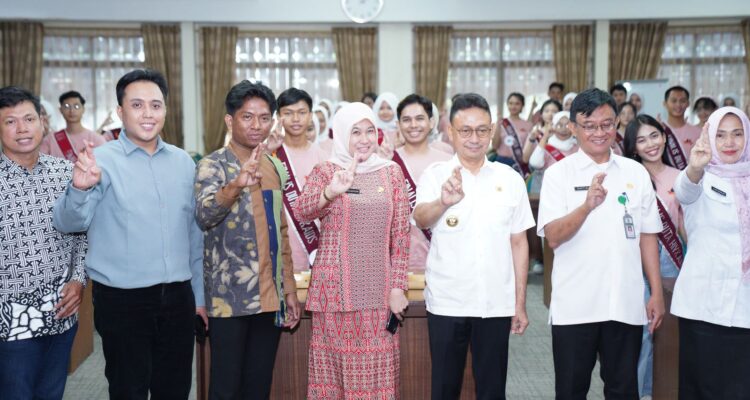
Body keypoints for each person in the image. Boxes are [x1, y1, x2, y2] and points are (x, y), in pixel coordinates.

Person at [53, 69, 205, 399]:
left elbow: (194, 234)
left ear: (166, 110)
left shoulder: (183, 162)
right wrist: (79, 189)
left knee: (176, 389)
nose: (148, 114)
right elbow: (68, 224)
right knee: (128, 390)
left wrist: (200, 297)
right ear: (121, 112)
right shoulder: (99, 161)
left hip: (178, 298)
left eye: (155, 105)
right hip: (123, 300)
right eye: (137, 105)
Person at [537, 88, 665, 399]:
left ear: (617, 124)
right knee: (571, 390)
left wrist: (657, 292)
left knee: (623, 389)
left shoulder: (635, 172)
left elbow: (647, 235)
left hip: (625, 302)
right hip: (575, 306)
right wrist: (586, 206)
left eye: (607, 124)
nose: (599, 132)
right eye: (590, 125)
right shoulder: (558, 175)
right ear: (573, 128)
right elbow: (553, 236)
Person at [412, 92, 534, 399]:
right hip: (447, 301)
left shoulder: (510, 179)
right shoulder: (436, 175)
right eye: (465, 130)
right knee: (444, 388)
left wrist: (519, 302)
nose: (474, 138)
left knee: (492, 389)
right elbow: (421, 218)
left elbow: (519, 242)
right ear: (450, 132)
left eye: (482, 130)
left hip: (495, 303)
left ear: (491, 131)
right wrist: (442, 201)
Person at [293, 102, 409, 398]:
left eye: (370, 131)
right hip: (333, 294)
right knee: (332, 381)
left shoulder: (392, 173)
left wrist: (398, 287)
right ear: (342, 134)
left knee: (376, 382)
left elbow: (401, 237)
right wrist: (330, 192)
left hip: (379, 294)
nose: (364, 138)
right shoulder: (326, 170)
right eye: (355, 132)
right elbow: (302, 211)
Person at [194, 80, 300, 399]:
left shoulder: (272, 166)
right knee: (226, 386)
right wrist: (236, 185)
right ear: (230, 120)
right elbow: (204, 216)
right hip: (229, 298)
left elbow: (280, 232)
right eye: (247, 117)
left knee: (258, 384)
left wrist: (289, 290)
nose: (257, 125)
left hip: (268, 297)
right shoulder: (211, 165)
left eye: (264, 117)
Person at [0, 86, 87, 400]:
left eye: (28, 119)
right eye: (10, 122)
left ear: (43, 123)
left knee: (51, 394)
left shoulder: (67, 174)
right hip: (8, 319)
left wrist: (78, 281)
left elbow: (83, 236)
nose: (22, 128)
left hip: (61, 314)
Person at [671, 106, 750, 399]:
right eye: (721, 135)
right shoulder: (700, 176)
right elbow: (683, 192)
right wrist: (694, 167)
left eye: (737, 134)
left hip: (744, 306)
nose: (729, 143)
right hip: (703, 304)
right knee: (702, 387)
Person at [623, 114, 685, 399]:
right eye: (641, 139)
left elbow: (684, 225)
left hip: (672, 261)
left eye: (655, 135)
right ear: (633, 147)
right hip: (638, 260)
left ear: (664, 136)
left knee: (668, 334)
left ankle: (655, 391)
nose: (650, 144)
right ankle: (639, 392)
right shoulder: (629, 177)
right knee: (644, 334)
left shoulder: (681, 177)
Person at [393, 94, 452, 272]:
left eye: (420, 119)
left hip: (443, 254)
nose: (413, 125)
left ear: (431, 122)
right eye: (406, 120)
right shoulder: (388, 162)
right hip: (398, 258)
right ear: (398, 125)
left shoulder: (448, 162)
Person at [273, 88, 328, 272]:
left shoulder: (324, 157)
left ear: (310, 115)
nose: (295, 119)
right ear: (278, 116)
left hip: (318, 248)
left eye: (302, 113)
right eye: (288, 113)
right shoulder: (271, 154)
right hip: (281, 248)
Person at [40, 90, 106, 161]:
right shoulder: (50, 140)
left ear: (83, 109)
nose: (72, 110)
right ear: (60, 110)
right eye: (67, 106)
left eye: (76, 106)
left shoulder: (96, 139)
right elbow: (39, 166)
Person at [491, 92, 533, 176]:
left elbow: (529, 148)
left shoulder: (528, 125)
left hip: (520, 163)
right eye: (510, 103)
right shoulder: (500, 123)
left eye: (517, 103)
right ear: (507, 105)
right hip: (502, 162)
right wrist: (498, 126)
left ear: (522, 106)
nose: (513, 106)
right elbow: (495, 146)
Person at [662, 86, 701, 169]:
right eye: (673, 101)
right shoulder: (659, 131)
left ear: (688, 103)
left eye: (682, 101)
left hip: (691, 179)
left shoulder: (698, 132)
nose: (678, 105)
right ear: (665, 103)